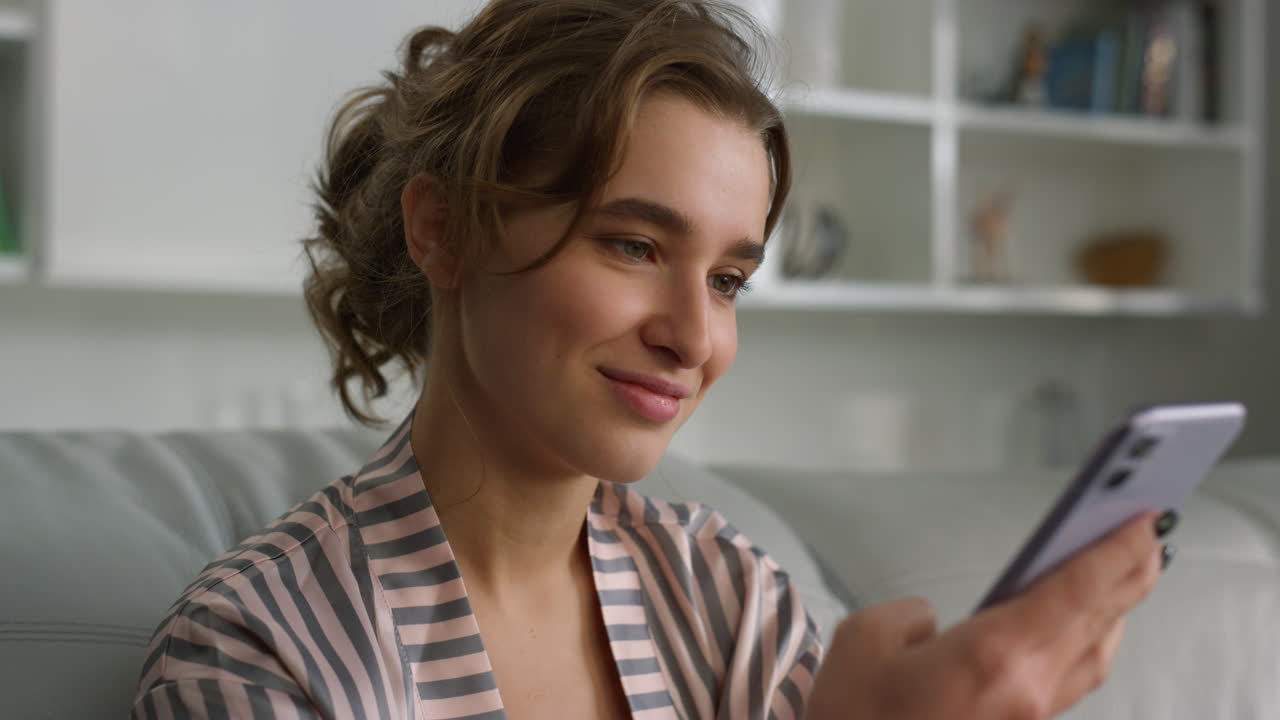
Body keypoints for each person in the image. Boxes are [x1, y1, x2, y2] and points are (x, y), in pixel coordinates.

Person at [131, 1, 1163, 718]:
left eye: (727, 279)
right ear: (441, 229)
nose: (695, 338)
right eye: (633, 245)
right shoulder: (257, 649)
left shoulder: (729, 597)